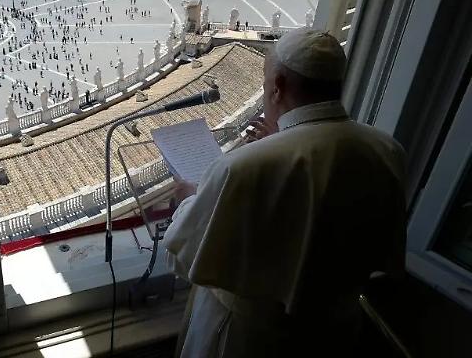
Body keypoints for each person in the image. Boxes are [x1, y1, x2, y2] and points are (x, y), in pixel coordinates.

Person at [164, 29, 407, 358]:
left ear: (277, 86)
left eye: (265, 86)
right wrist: (280, 140)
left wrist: (187, 201)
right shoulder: (387, 149)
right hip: (336, 334)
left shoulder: (241, 167)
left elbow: (186, 256)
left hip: (250, 339)